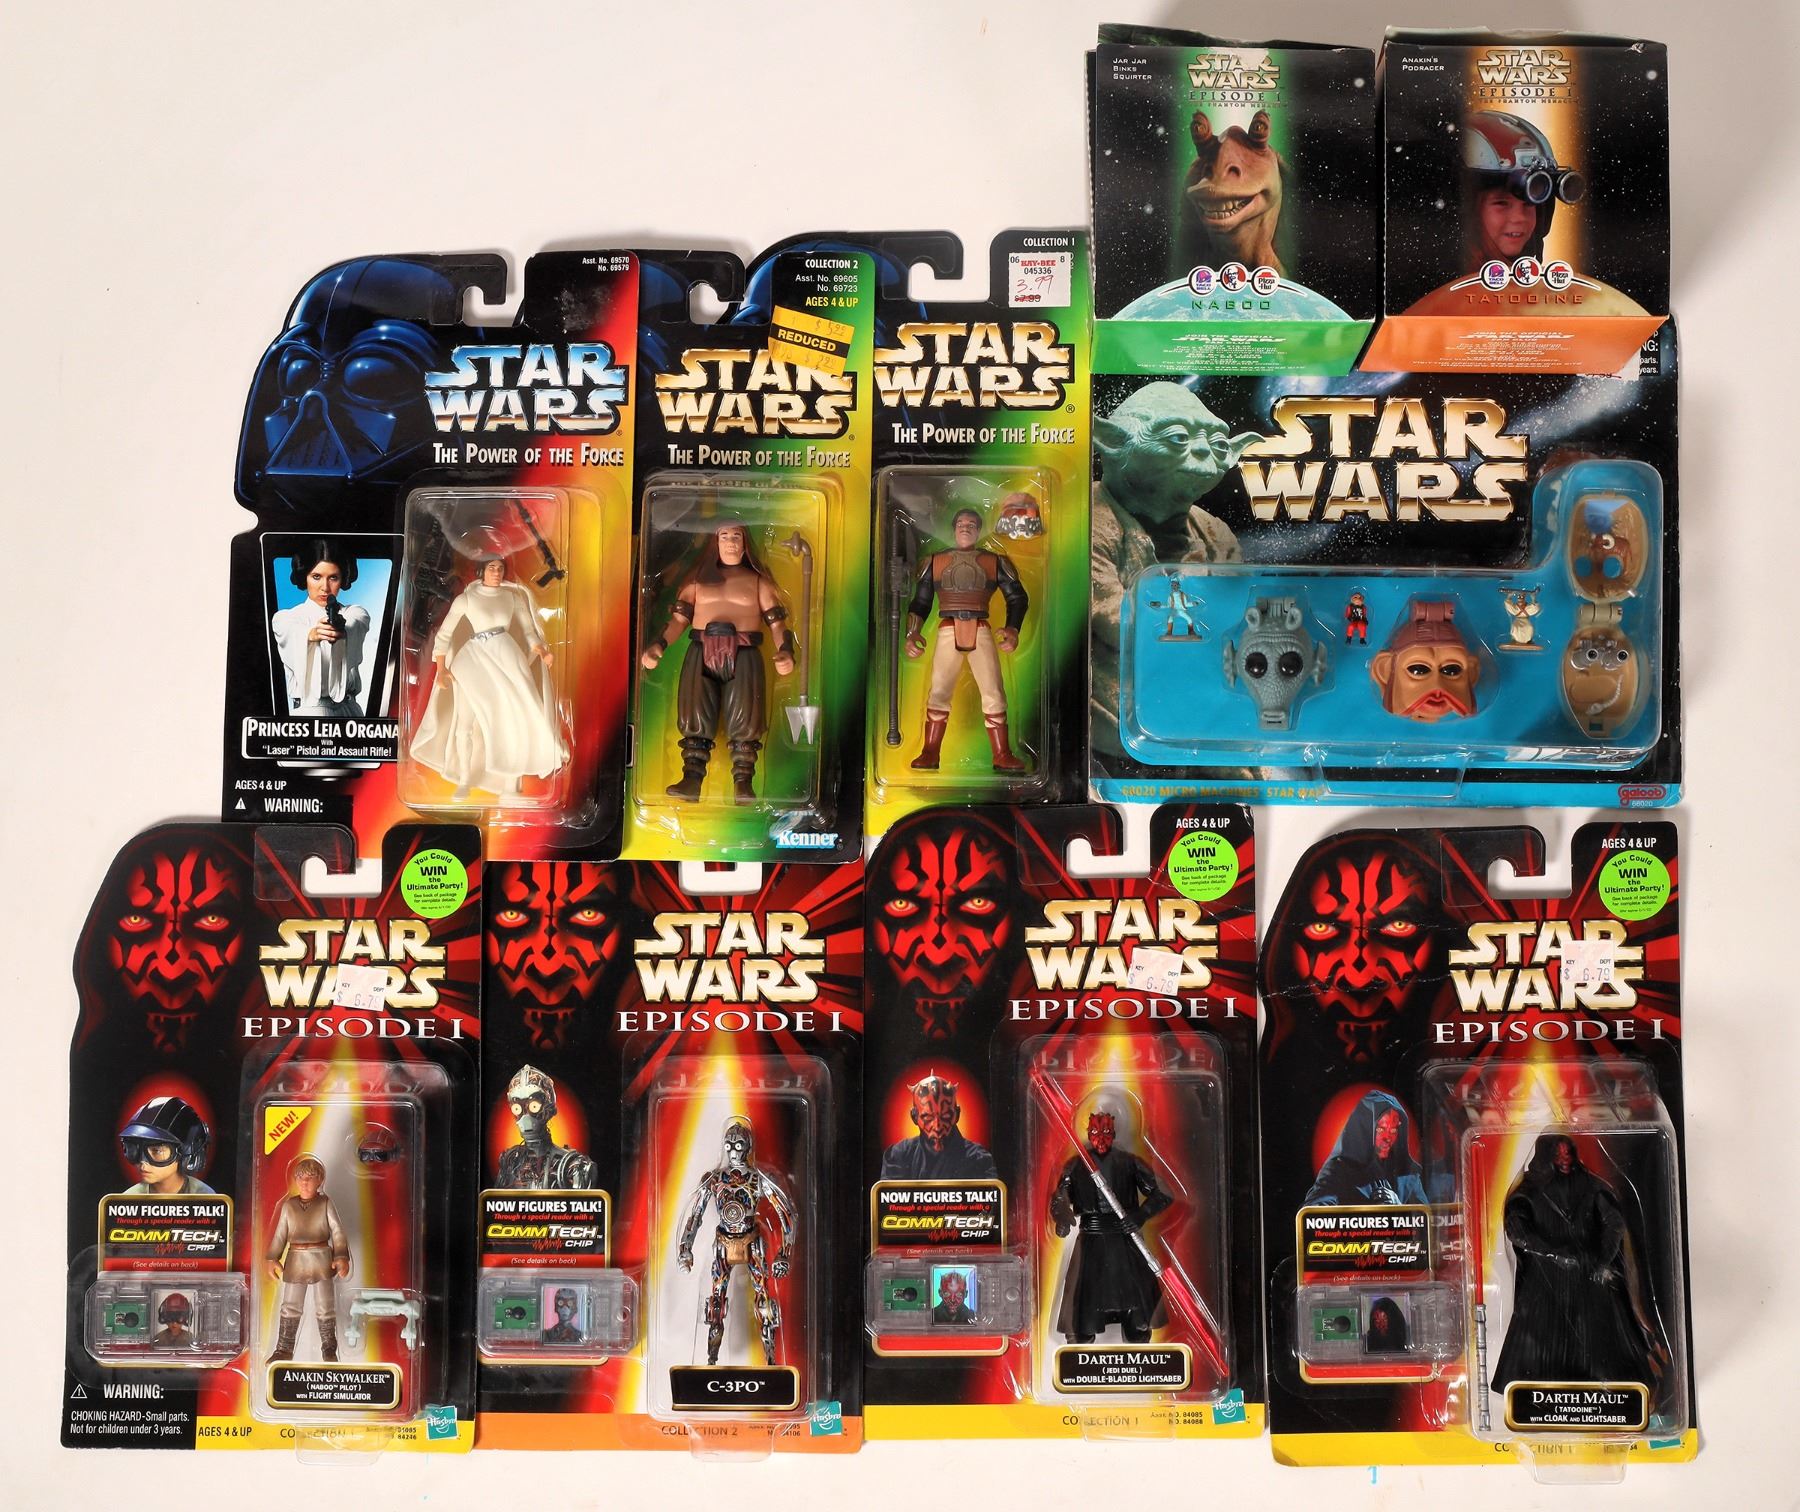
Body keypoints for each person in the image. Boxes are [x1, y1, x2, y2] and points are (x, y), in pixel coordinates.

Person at [1492, 1134, 1664, 1393]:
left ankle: (1616, 1389)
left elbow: (1614, 1222)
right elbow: (1517, 1231)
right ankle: (1535, 1392)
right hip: (1545, 1281)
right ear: (1545, 1156)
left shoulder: (1591, 1186)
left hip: (1588, 1273)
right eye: (1558, 1154)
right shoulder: (1528, 1191)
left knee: (1603, 1339)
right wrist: (1552, 1253)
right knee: (1541, 1341)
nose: (1565, 1160)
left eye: (1568, 1153)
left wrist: (1603, 1259)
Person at [641, 521, 794, 805]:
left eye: (736, 536)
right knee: (694, 711)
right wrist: (658, 645)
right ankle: (691, 779)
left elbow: (777, 622)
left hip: (744, 652)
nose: (731, 542)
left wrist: (785, 650)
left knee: (746, 715)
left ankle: (743, 783)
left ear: (745, 542)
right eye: (724, 536)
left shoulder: (758, 582)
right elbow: (678, 620)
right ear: (716, 541)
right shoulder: (697, 581)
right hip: (702, 648)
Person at [410, 556, 567, 800]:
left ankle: (511, 785)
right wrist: (441, 669)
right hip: (473, 661)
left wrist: (541, 650)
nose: (496, 572)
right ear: (481, 571)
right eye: (491, 568)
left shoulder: (513, 598)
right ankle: (464, 780)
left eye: (500, 568)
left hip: (506, 656)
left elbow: (529, 631)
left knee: (515, 718)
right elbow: (444, 635)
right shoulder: (467, 599)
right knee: (464, 724)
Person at [904, 505, 1030, 772]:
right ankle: (929, 751)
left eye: (971, 524)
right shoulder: (934, 562)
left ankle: (1002, 753)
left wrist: (1013, 629)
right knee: (939, 691)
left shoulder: (995, 562)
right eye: (961, 523)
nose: (965, 527)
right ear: (953, 529)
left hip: (981, 628)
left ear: (979, 530)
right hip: (947, 629)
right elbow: (921, 602)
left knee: (993, 691)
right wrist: (912, 633)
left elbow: (1017, 598)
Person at [1051, 1109, 1172, 1344]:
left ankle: (1136, 1331)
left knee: (1135, 1304)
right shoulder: (1076, 1166)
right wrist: (1063, 1218)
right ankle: (1081, 1336)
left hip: (1125, 1237)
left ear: (1114, 1134)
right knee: (1083, 1301)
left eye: (1106, 1132)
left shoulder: (1129, 1162)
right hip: (1091, 1238)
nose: (1101, 1138)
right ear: (1089, 1134)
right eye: (1095, 1132)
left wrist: (1140, 1214)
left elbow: (1163, 1193)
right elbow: (1059, 1198)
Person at [265, 1155, 350, 1363]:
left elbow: (337, 1231)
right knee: (290, 1306)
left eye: (310, 1178)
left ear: (320, 1180)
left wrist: (341, 1256)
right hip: (296, 1261)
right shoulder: (289, 1206)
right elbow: (280, 1235)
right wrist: (272, 1257)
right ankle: (283, 1349)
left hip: (322, 1260)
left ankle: (329, 1350)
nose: (305, 1182)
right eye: (301, 1177)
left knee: (325, 1307)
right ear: (295, 1180)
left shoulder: (325, 1203)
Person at [270, 541, 370, 717]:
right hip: (310, 711)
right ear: (305, 577)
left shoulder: (356, 612)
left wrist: (342, 630)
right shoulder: (285, 618)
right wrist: (311, 635)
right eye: (316, 577)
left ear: (343, 579)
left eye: (333, 577)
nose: (325, 587)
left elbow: (355, 624)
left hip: (350, 711)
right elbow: (292, 631)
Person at [1305, 1091, 1429, 1206]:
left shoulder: (1408, 1175)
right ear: (1364, 1130)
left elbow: (1428, 1218)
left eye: (1393, 1130)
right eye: (1380, 1129)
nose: (1387, 1138)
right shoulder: (1338, 1171)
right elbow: (1314, 1212)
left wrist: (1399, 1208)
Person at [879, 1074, 999, 1182]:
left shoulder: (978, 1159)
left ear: (957, 1114)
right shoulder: (898, 1155)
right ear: (914, 1117)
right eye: (928, 1117)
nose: (937, 1126)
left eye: (945, 1116)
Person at [119, 1095, 214, 1195]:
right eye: (136, 1149)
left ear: (185, 1152)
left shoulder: (205, 1196)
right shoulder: (130, 1198)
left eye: (157, 1151)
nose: (143, 1162)